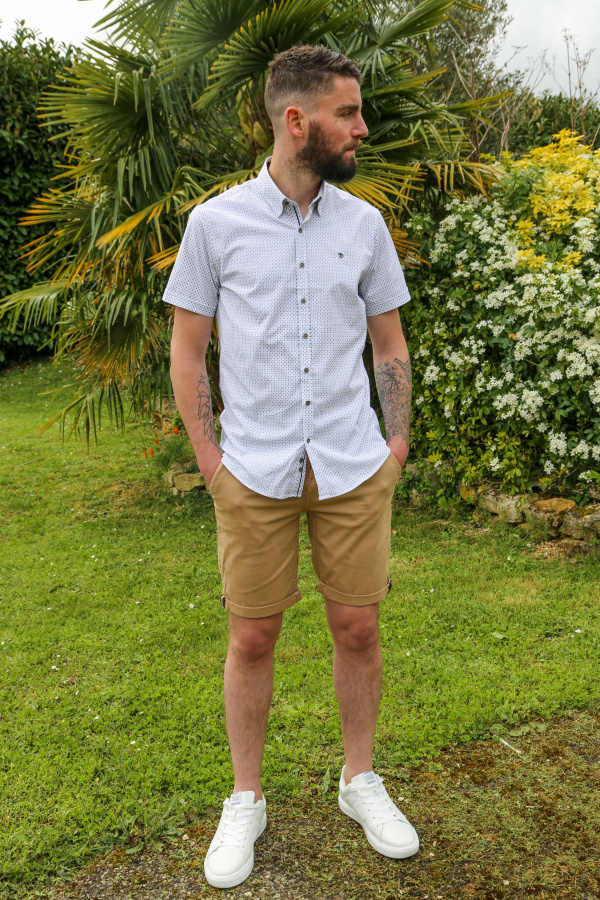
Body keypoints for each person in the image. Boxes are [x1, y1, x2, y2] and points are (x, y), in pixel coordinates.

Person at [165, 43, 418, 890]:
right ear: (297, 120)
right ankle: (246, 798)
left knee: (359, 627)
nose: (362, 127)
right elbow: (188, 352)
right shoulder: (215, 226)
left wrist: (395, 446)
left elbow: (389, 343)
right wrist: (211, 461)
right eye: (348, 112)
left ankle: (359, 779)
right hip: (253, 468)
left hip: (352, 463)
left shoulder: (364, 226)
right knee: (252, 635)